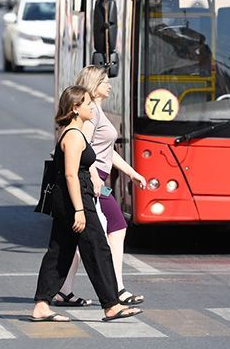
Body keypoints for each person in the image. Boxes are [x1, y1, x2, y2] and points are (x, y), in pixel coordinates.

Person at [31, 85, 143, 323]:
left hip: (71, 198)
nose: (92, 107)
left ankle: (41, 305)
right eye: (87, 103)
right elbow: (71, 175)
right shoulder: (72, 136)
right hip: (75, 199)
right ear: (75, 108)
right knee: (97, 248)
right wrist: (80, 210)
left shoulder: (75, 132)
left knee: (60, 251)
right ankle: (111, 305)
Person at [56, 66, 148, 308]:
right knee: (115, 227)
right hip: (93, 183)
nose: (110, 85)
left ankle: (63, 290)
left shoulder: (97, 111)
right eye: (105, 81)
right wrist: (95, 177)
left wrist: (132, 173)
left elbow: (106, 152)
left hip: (97, 181)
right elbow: (85, 150)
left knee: (76, 240)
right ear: (94, 85)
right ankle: (116, 290)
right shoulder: (92, 113)